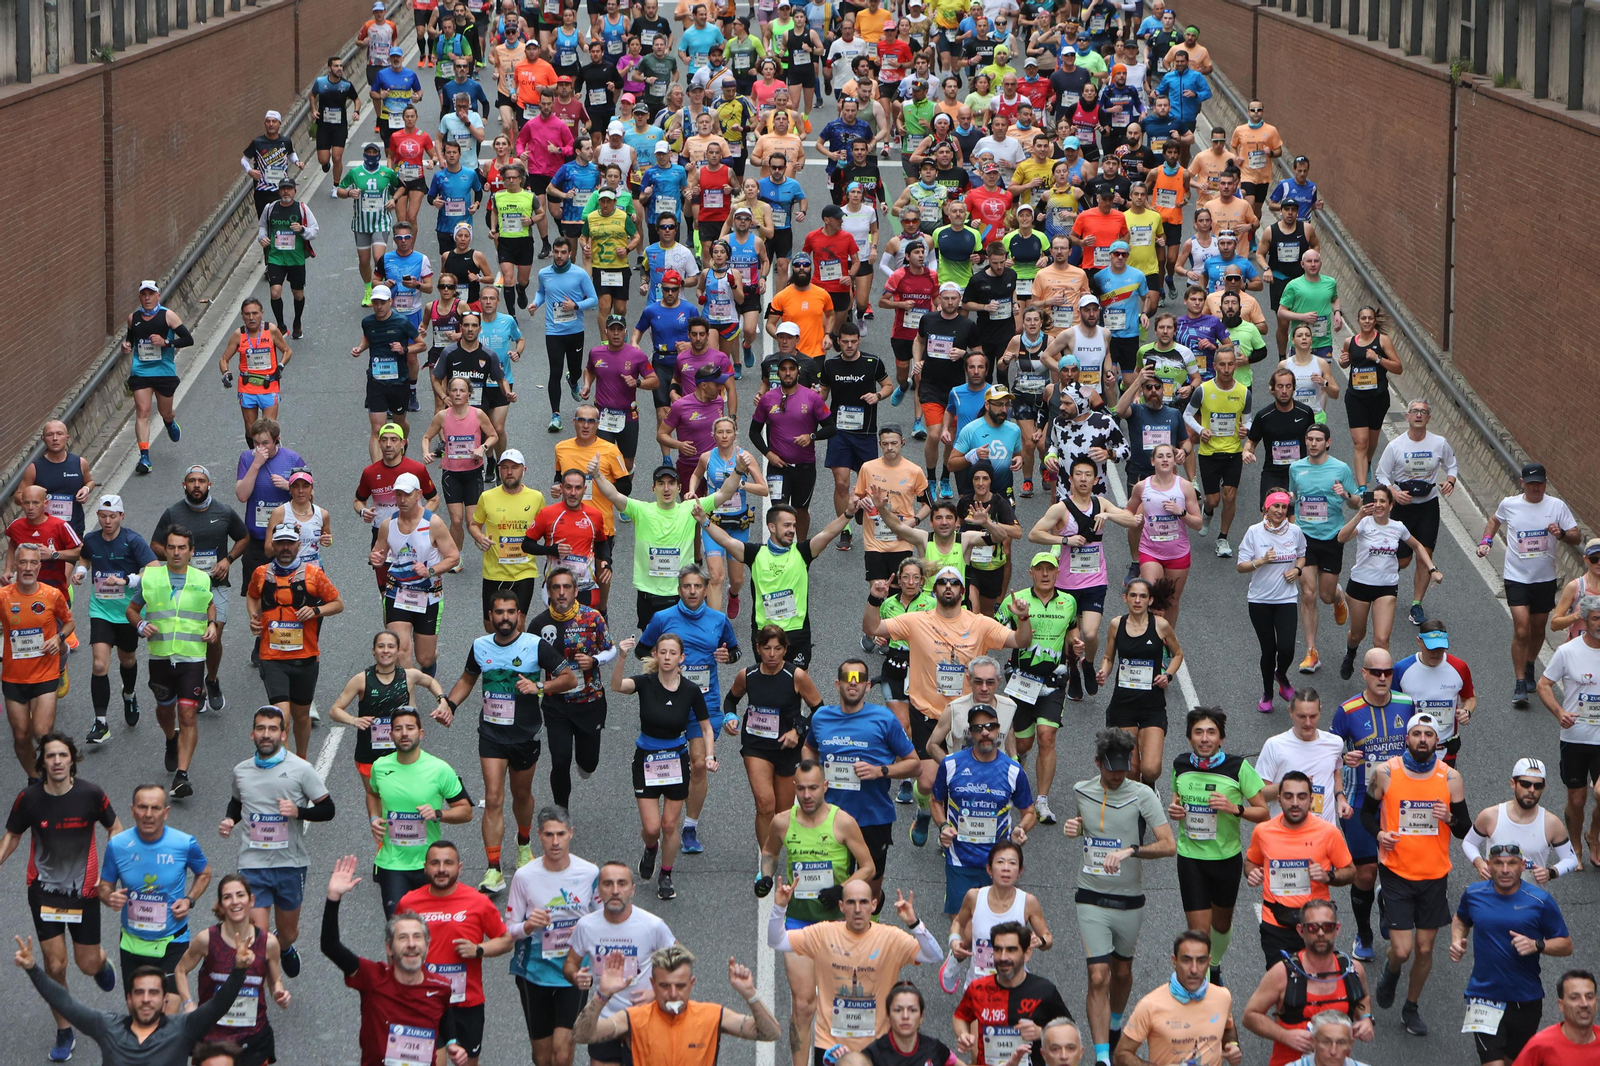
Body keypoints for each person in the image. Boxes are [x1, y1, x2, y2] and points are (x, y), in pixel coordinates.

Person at [444, 590, 574, 892]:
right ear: (490, 616)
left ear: (519, 615)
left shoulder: (534, 645)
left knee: (521, 794)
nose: (505, 618)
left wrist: (539, 687)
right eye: (499, 612)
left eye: (510, 612)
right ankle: (493, 870)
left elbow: (568, 678)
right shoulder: (480, 646)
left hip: (525, 734)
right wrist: (449, 705)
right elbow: (467, 679)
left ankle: (523, 843)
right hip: (491, 733)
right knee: (493, 798)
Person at [0, 734, 120, 1062]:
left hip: (84, 893)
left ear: (72, 760)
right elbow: (12, 836)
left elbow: (116, 830)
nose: (56, 761)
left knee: (86, 964)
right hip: (44, 893)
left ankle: (100, 962)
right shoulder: (28, 798)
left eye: (62, 755)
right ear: (42, 762)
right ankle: (64, 1029)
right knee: (55, 964)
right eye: (50, 756)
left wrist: (111, 872)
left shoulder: (91, 794)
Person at [1062, 729, 1176, 1065]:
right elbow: (1089, 829)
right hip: (1090, 894)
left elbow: (1169, 845)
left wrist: (1132, 851)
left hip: (1129, 897)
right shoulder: (1081, 790)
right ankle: (1102, 1058)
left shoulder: (1142, 794)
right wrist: (1076, 830)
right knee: (1098, 976)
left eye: (1123, 768)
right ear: (1098, 763)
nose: (1117, 775)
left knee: (1122, 972)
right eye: (1111, 769)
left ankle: (1114, 1025)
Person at [756, 758, 877, 1066]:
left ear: (825, 786)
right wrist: (766, 876)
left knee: (839, 1002)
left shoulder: (843, 822)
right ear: (794, 788)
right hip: (799, 923)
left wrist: (842, 890)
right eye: (801, 789)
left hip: (837, 925)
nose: (807, 795)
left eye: (813, 788)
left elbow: (868, 867)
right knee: (803, 1005)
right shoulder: (782, 822)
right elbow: (769, 852)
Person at [1361, 711, 1469, 1035]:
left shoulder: (1450, 778)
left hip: (1434, 875)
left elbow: (1464, 829)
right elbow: (1366, 815)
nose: (1423, 740)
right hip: (1396, 872)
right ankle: (1392, 970)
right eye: (1417, 734)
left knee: (1423, 949)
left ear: (1437, 741)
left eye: (1429, 735)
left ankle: (1411, 1007)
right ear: (1407, 738)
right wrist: (1379, 834)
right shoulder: (1385, 773)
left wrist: (1450, 818)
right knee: (1403, 950)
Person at [14, 928, 250, 1066]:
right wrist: (33, 969)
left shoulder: (183, 1028)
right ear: (128, 999)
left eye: (153, 992)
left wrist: (239, 969)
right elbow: (65, 1004)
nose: (146, 998)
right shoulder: (107, 1026)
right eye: (139, 992)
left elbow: (219, 1005)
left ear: (165, 1000)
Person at [320, 854, 470, 1066]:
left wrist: (453, 1042)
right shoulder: (372, 978)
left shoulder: (440, 986)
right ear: (389, 948)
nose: (411, 944)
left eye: (417, 937)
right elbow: (330, 946)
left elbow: (445, 1015)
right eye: (402, 938)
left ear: (427, 945)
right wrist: (333, 897)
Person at [218, 706, 333, 982]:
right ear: (252, 734)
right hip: (252, 863)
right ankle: (268, 987)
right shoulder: (241, 771)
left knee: (288, 933)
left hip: (290, 864)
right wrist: (230, 820)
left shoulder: (301, 769)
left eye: (272, 729)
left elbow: (328, 809)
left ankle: (284, 946)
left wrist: (298, 812)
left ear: (283, 734)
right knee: (257, 936)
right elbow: (237, 802)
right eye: (261, 729)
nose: (266, 734)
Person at [768, 879, 944, 1058]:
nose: (857, 909)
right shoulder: (823, 934)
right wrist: (779, 907)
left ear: (873, 905)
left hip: (876, 1046)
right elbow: (777, 941)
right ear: (841, 906)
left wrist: (914, 923)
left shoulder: (890, 938)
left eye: (863, 902)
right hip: (830, 1045)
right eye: (851, 902)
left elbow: (934, 955)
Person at [804, 659, 921, 906]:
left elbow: (914, 764)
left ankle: (871, 926)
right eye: (847, 678)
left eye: (859, 679)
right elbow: (809, 747)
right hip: (831, 816)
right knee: (836, 889)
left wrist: (881, 770)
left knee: (870, 891)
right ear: (837, 684)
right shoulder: (821, 717)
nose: (853, 683)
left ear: (868, 686)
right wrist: (812, 775)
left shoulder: (884, 719)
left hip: (873, 817)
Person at [1447, 839, 1574, 1065]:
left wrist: (1537, 945)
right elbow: (1460, 919)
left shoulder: (1540, 900)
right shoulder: (1474, 894)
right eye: (1498, 863)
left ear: (1522, 865)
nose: (1505, 870)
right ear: (1488, 865)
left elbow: (1566, 945)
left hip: (1525, 999)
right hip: (1483, 996)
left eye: (1512, 863)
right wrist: (1457, 941)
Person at [1166, 708, 1266, 986]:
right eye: (1198, 732)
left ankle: (1216, 964)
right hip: (1191, 858)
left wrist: (1235, 808)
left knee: (1221, 925)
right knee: (1199, 933)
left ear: (1221, 738)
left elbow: (1263, 813)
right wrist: (1175, 809)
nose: (1205, 738)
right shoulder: (1180, 764)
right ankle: (1205, 987)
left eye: (1211, 732)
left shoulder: (1237, 768)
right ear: (1189, 738)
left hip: (1225, 858)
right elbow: (1176, 799)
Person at [611, 633, 711, 901]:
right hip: (646, 760)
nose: (667, 657)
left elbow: (705, 727)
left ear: (682, 658)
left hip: (676, 761)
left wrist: (709, 755)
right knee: (652, 828)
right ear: (655, 655)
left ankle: (666, 874)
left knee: (669, 825)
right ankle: (650, 847)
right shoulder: (645, 683)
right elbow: (617, 685)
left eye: (672, 653)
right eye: (663, 652)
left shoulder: (690, 690)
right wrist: (622, 657)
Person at [99, 782, 212, 1013]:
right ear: (132, 810)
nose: (148, 814)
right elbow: (104, 886)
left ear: (166, 812)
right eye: (142, 807)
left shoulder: (184, 843)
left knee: (167, 1018)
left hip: (172, 941)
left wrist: (189, 900)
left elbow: (204, 873)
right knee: (142, 1015)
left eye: (155, 808)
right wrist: (109, 897)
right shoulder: (118, 845)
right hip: (132, 943)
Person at [397, 840, 512, 1066]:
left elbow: (506, 941)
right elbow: (394, 949)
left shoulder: (478, 902)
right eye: (435, 863)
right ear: (425, 868)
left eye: (448, 863)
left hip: (466, 1002)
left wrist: (479, 949)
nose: (441, 869)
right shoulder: (408, 903)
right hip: (422, 1000)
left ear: (459, 868)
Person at [1479, 463, 1581, 708]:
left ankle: (1530, 664)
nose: (1536, 488)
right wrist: (1486, 540)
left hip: (1544, 579)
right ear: (1522, 483)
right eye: (1531, 483)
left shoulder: (1556, 506)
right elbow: (1494, 520)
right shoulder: (1510, 504)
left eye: (1540, 483)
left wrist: (1561, 534)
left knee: (1537, 629)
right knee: (1522, 629)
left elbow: (1576, 536)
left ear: (1545, 483)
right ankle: (1519, 682)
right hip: (1516, 577)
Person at [128, 528, 218, 798]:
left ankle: (182, 775)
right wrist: (140, 624)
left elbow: (209, 603)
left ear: (191, 552)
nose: (176, 553)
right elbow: (132, 610)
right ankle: (171, 739)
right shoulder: (151, 577)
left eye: (182, 548)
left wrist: (212, 623)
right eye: (171, 547)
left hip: (192, 657)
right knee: (165, 710)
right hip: (161, 656)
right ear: (164, 550)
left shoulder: (202, 578)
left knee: (188, 714)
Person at [506, 807, 599, 1066]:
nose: (555, 842)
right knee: (543, 1057)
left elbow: (605, 918)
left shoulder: (589, 872)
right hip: (534, 971)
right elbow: (508, 929)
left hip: (575, 970)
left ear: (571, 834)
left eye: (560, 834)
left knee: (563, 1052)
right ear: (539, 835)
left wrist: (587, 929)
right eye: (549, 835)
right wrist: (527, 927)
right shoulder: (524, 876)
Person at [560, 861, 677, 1066]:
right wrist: (575, 976)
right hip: (605, 1020)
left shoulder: (652, 925)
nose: (615, 890)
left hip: (645, 1021)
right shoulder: (586, 926)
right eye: (608, 884)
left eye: (622, 884)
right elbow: (570, 963)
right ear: (599, 890)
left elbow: (681, 964)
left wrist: (657, 993)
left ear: (632, 890)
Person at [246, 524, 345, 759]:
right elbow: (252, 595)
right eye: (280, 543)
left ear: (298, 545)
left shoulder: (313, 574)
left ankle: (301, 759)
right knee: (282, 718)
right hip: (272, 657)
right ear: (273, 545)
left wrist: (316, 611)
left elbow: (338, 604)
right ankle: (287, 765)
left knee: (302, 716)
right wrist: (254, 616)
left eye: (290, 543)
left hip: (305, 657)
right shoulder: (261, 573)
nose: (285, 548)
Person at [574, 944, 779, 1055]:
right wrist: (602, 995)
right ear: (653, 984)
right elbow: (581, 1035)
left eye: (680, 986)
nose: (673, 994)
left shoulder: (713, 1016)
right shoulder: (632, 1019)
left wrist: (750, 994)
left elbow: (770, 1033)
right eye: (664, 986)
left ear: (691, 984)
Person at [172, 874, 290, 1066]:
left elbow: (274, 980)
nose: (235, 901)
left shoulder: (268, 942)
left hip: (252, 1037)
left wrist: (279, 992)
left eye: (240, 895)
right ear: (220, 906)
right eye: (227, 897)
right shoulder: (207, 939)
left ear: (251, 901)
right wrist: (188, 1003)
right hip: (213, 1039)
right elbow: (180, 970)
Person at [367, 706, 474, 918]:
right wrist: (374, 817)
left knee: (432, 929)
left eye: (410, 728)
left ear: (421, 733)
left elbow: (466, 811)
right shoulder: (380, 767)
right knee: (398, 928)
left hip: (430, 865)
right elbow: (372, 793)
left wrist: (438, 814)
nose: (404, 733)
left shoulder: (440, 769)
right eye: (398, 729)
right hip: (392, 863)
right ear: (391, 735)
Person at [1241, 898, 1372, 1066]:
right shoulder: (1282, 973)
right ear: (1300, 930)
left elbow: (1363, 998)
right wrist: (1285, 1036)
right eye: (1312, 927)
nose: (1320, 933)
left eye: (1327, 927)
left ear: (1337, 929)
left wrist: (1366, 1018)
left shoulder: (1352, 970)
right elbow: (1250, 1016)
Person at [1244, 770, 1356, 965]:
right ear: (1279, 800)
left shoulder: (1328, 832)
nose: (1295, 803)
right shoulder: (1263, 831)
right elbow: (1251, 862)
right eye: (1289, 796)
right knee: (1282, 979)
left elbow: (1351, 872)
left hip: (1316, 925)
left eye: (1301, 797)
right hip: (1275, 921)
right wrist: (1251, 873)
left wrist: (1328, 876)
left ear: (1311, 800)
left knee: (1314, 979)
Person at [932, 702, 1036, 913]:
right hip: (960, 859)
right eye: (978, 728)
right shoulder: (951, 764)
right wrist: (943, 826)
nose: (985, 732)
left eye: (990, 727)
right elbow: (936, 801)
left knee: (996, 923)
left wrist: (1021, 828)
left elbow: (1029, 812)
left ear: (999, 730)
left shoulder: (1013, 770)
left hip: (999, 862)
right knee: (960, 923)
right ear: (970, 732)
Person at [1335, 486, 1441, 673]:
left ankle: (1383, 679)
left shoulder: (1397, 527)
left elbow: (1418, 546)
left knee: (1382, 639)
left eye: (1382, 501)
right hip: (1360, 585)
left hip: (1386, 587)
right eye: (1374, 500)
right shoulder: (1364, 523)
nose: (1378, 505)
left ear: (1391, 505)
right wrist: (1359, 515)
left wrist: (1432, 569)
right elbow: (1341, 538)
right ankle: (1351, 653)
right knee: (1357, 634)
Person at [1372, 399, 1456, 627]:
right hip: (1403, 507)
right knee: (1403, 560)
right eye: (1414, 411)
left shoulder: (1439, 443)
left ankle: (1416, 605)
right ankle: (1380, 584)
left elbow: (1452, 465)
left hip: (1428, 505)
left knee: (1424, 556)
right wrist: (1394, 492)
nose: (1419, 415)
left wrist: (1450, 480)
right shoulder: (1396, 446)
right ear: (1407, 416)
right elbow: (1381, 474)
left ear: (1428, 418)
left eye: (1423, 412)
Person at [369, 473, 461, 676]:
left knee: (424, 658)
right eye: (398, 495)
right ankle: (408, 694)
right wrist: (375, 558)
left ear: (419, 494)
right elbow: (378, 553)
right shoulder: (388, 525)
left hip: (428, 595)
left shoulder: (433, 523)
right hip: (397, 592)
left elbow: (454, 557)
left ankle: (430, 658)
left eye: (407, 495)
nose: (402, 500)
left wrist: (430, 571)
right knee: (401, 651)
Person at [1288, 425, 1359, 675]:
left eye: (1318, 439)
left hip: (1331, 537)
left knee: (1325, 596)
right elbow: (1294, 496)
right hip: (1305, 537)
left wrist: (1346, 494)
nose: (1313, 443)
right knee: (1308, 594)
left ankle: (1338, 597)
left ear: (1327, 442)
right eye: (1310, 439)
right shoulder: (1296, 468)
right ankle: (1311, 652)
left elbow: (1357, 502)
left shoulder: (1340, 468)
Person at [952, 920, 1072, 1066]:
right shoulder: (978, 988)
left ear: (1026, 953)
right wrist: (963, 1034)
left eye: (1011, 950)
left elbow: (1070, 1033)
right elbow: (960, 1017)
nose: (1003, 957)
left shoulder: (1044, 990)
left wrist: (1042, 1033)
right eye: (998, 950)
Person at [1536, 597, 1600, 868]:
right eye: (1596, 618)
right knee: (1577, 799)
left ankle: (1594, 834)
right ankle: (1575, 846)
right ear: (1584, 620)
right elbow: (1543, 685)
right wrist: (1559, 712)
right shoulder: (1567, 651)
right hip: (1575, 737)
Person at [1116, 931, 1241, 1066]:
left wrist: (1232, 1045)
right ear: (1174, 961)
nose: (1194, 969)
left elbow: (1227, 1027)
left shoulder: (1222, 997)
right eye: (1186, 960)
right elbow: (1122, 1054)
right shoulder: (1150, 1005)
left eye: (1201, 961)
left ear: (1209, 962)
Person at [1238, 491, 1309, 713]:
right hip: (1259, 600)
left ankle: (1281, 674)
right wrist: (1261, 561)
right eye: (1275, 506)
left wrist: (1297, 570)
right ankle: (1268, 693)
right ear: (1266, 509)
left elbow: (1302, 555)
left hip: (1286, 598)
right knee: (1268, 650)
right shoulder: (1254, 532)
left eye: (1283, 507)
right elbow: (1241, 566)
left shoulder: (1295, 531)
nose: (1280, 511)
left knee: (1287, 648)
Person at [1463, 757, 1579, 882]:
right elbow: (1469, 842)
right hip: (1494, 893)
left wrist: (1551, 872)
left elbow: (1571, 859)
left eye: (1538, 786)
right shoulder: (1491, 816)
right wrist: (1479, 863)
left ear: (1543, 787)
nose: (1532, 790)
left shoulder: (1551, 823)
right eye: (1525, 784)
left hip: (1532, 893)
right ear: (1513, 784)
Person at [122, 279, 195, 476]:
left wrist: (166, 342)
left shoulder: (168, 315)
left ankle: (169, 422)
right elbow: (131, 339)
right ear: (140, 297)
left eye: (151, 294)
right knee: (143, 412)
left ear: (158, 296)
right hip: (141, 372)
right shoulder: (133, 318)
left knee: (165, 412)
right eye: (144, 294)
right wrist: (127, 346)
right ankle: (144, 457)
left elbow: (188, 339)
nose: (147, 298)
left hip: (164, 372)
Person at [1513, 969, 1600, 1065]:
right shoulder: (1540, 1045)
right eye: (1574, 998)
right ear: (1561, 1005)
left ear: (1596, 1003)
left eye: (1589, 997)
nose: (1584, 1004)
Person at [867, 983, 960, 1066]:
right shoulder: (872, 1056)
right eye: (898, 1010)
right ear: (888, 1016)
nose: (905, 1016)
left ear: (921, 1017)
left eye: (912, 1010)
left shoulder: (936, 1049)